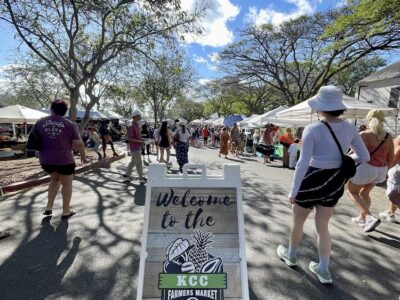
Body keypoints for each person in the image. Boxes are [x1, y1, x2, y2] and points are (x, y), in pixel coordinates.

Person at [276, 86, 369, 284]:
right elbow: (364, 156)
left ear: (321, 107)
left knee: (298, 221)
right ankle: (324, 270)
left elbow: (302, 163)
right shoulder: (351, 128)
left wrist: (293, 191)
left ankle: (291, 255)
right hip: (334, 182)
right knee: (323, 227)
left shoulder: (313, 129)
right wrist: (345, 161)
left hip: (311, 180)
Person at [34, 99, 88, 219]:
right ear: (65, 111)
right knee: (67, 184)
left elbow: (34, 139)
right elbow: (78, 143)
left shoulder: (40, 122)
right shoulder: (70, 124)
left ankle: (49, 207)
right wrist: (84, 157)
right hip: (64, 160)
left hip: (46, 160)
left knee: (54, 180)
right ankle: (66, 211)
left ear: (51, 109)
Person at [347, 109, 394, 232]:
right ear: (383, 122)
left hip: (366, 168)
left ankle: (369, 218)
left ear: (368, 120)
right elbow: (391, 157)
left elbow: (353, 153)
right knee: (364, 194)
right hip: (381, 170)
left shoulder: (363, 134)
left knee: (352, 192)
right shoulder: (389, 137)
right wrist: (387, 173)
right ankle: (362, 218)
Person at [380, 135, 400, 222]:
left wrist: (386, 170)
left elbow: (395, 156)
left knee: (392, 193)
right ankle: (390, 213)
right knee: (396, 194)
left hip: (397, 170)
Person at [123, 111, 146, 183]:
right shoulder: (131, 126)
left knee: (133, 162)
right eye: (139, 116)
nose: (140, 117)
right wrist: (140, 141)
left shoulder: (136, 125)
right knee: (138, 163)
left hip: (137, 146)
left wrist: (144, 140)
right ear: (135, 116)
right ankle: (141, 178)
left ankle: (126, 176)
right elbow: (129, 138)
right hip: (134, 147)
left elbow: (138, 136)